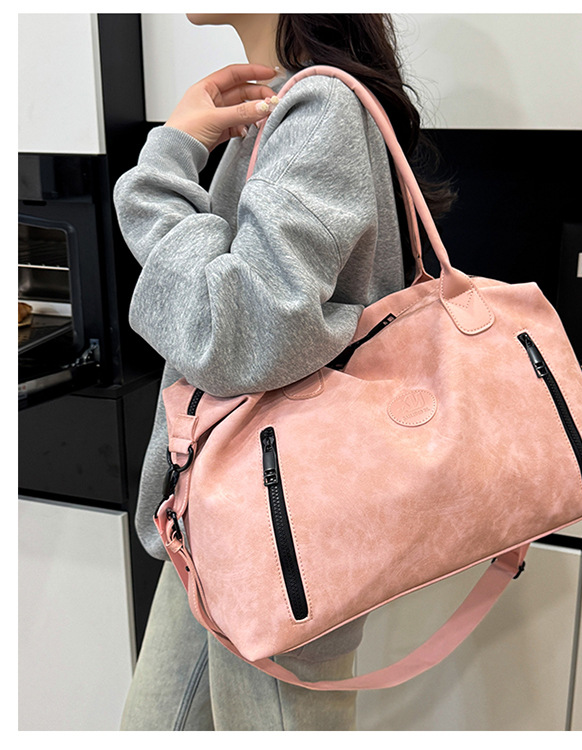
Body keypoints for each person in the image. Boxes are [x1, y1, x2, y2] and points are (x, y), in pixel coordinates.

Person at [113, 13, 454, 731]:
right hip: (224, 520)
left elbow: (237, 332)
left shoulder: (321, 107)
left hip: (281, 532)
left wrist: (163, 167)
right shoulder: (287, 107)